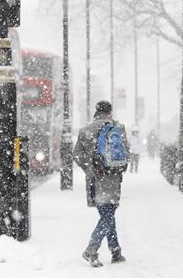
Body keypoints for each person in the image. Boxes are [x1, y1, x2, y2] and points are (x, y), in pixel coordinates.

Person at [73, 100, 128, 267]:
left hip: (94, 179)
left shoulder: (85, 131)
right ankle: (93, 249)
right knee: (108, 213)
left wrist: (90, 169)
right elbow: (126, 152)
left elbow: (77, 155)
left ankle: (115, 251)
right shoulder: (118, 128)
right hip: (113, 178)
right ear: (110, 111)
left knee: (106, 214)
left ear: (96, 111)